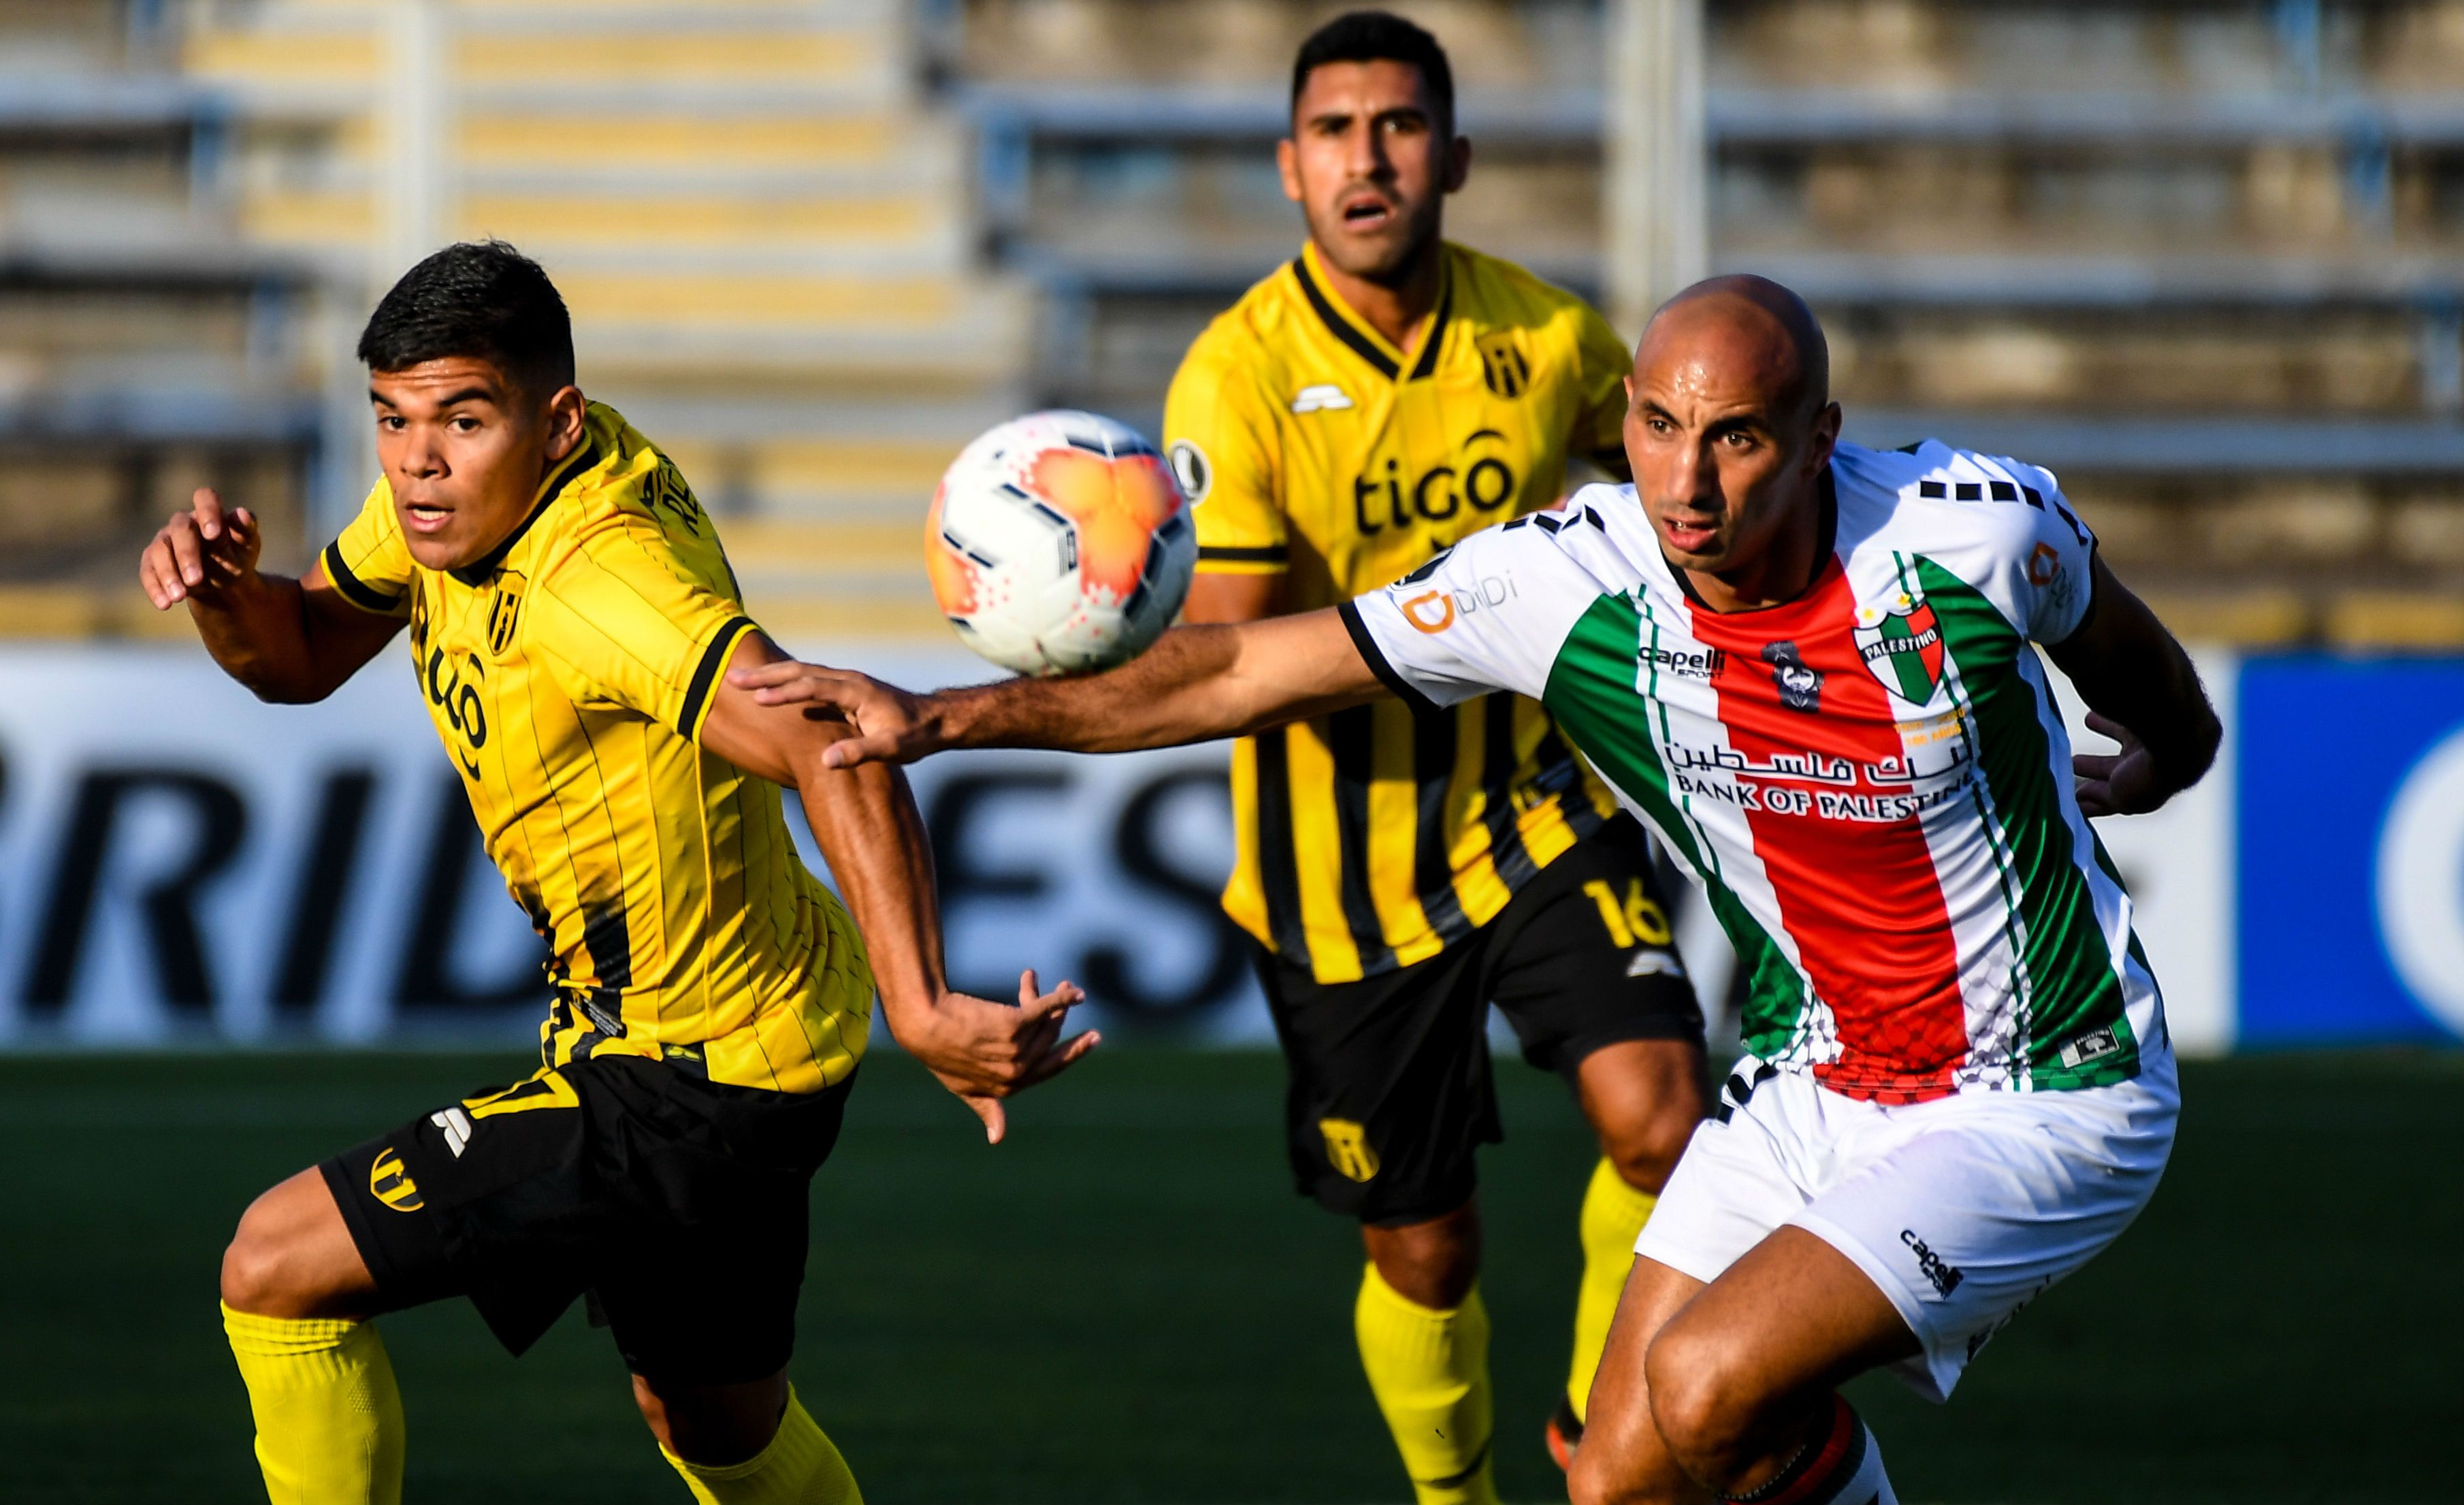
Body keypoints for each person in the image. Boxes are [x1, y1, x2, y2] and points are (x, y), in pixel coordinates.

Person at [731, 274, 2222, 1505]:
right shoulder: (1566, 580)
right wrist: (941, 717)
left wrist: (2175, 742)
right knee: (1620, 1477)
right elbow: (1248, 664)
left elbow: (2119, 637)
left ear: (1821, 431)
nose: (1686, 480)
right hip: (1816, 1078)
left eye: (1739, 440)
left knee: (1707, 1388)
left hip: (2045, 1086)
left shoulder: (1968, 532)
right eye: (1655, 426)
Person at [138, 240, 1095, 1505]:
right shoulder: (463, 499)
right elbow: (306, 646)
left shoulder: (605, 581)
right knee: (712, 1425)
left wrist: (922, 1006)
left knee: (273, 1269)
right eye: (392, 419)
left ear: (556, 422)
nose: (418, 460)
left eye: (461, 420)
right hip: (757, 1043)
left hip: (686, 1084)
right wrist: (221, 596)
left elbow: (830, 737)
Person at [1159, 10, 1705, 1495]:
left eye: (1397, 126)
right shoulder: (1237, 377)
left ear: (1452, 155)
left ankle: (1615, 1444)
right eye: (1335, 131)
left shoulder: (1544, 339)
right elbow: (1227, 651)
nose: (1368, 158)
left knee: (1663, 1119)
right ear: (1289, 167)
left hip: (1535, 812)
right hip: (1339, 882)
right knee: (1425, 1243)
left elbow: (1672, 474)